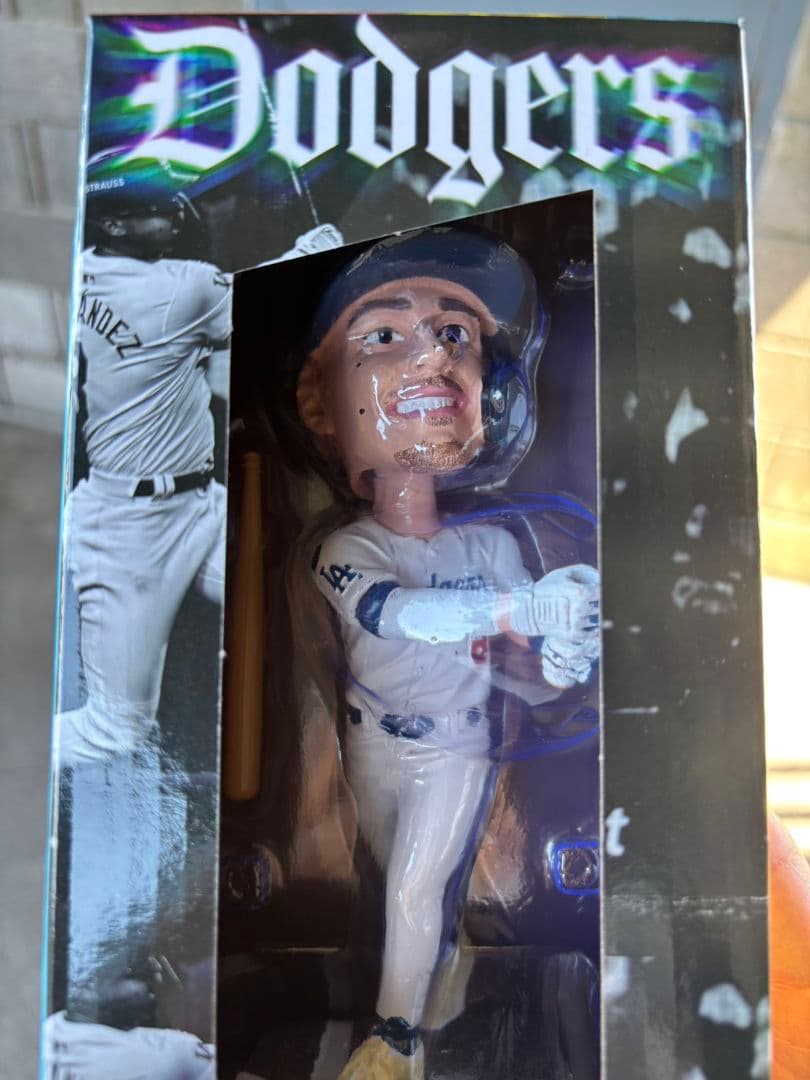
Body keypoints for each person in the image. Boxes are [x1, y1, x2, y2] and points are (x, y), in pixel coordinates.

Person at [296, 226, 600, 1078]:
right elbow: (398, 615)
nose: (433, 356)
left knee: (413, 888)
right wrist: (524, 607)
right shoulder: (347, 548)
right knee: (397, 887)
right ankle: (432, 993)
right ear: (320, 403)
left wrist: (564, 653)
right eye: (386, 336)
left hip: (458, 747)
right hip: (372, 748)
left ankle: (394, 1043)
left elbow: (527, 678)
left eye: (455, 335)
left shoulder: (492, 546)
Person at [54, 185, 232, 766]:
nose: (174, 218)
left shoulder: (82, 271)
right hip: (126, 531)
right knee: (115, 729)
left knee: (288, 582)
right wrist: (311, 248)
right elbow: (268, 300)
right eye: (156, 212)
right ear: (113, 227)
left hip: (201, 504)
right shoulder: (180, 286)